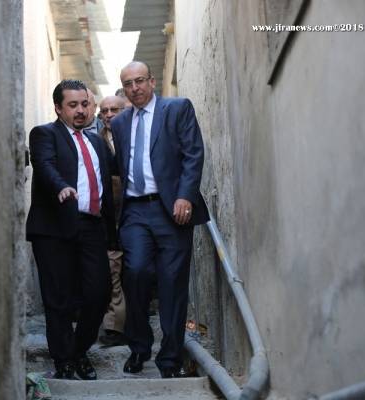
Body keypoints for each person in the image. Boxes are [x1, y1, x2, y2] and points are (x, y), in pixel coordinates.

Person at [110, 61, 209, 378]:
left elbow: (193, 154)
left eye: (140, 81)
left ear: (152, 81)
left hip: (171, 210)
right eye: (128, 83)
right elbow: (120, 166)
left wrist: (185, 195)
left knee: (172, 283)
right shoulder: (120, 123)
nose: (135, 88)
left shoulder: (177, 109)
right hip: (136, 212)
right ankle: (139, 347)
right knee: (135, 272)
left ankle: (170, 359)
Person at [26, 79, 116, 380]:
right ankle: (64, 360)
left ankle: (78, 351)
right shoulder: (44, 134)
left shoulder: (97, 142)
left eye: (85, 104)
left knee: (99, 293)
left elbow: (115, 173)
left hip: (91, 226)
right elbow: (45, 165)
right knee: (58, 298)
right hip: (54, 227)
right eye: (73, 105)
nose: (80, 110)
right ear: (58, 108)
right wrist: (61, 186)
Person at [97, 95, 130, 347]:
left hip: (139, 212)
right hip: (110, 216)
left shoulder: (135, 135)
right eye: (104, 111)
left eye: (114, 110)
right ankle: (114, 327)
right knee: (113, 269)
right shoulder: (96, 141)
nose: (108, 115)